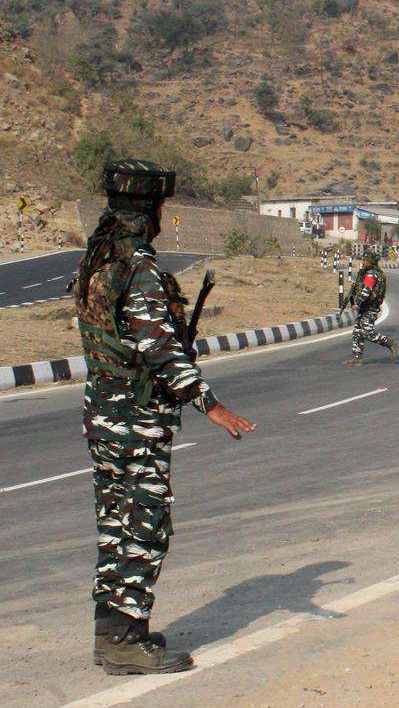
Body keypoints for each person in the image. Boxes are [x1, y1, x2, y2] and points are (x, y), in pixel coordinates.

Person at [75, 160, 256, 675]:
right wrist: (211, 405)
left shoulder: (98, 260)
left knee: (115, 524)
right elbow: (161, 352)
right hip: (135, 419)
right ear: (152, 210)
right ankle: (125, 642)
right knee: (145, 526)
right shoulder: (140, 270)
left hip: (103, 412)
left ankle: (114, 630)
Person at [344, 249, 398, 366]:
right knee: (357, 332)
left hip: (370, 308)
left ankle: (390, 343)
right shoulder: (371, 272)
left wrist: (356, 303)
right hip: (366, 307)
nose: (363, 262)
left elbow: (366, 291)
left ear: (371, 261)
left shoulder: (371, 274)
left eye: (366, 260)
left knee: (367, 333)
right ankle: (357, 359)